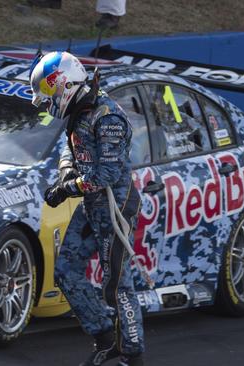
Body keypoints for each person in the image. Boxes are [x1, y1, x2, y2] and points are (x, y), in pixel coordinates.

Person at [29, 51, 145, 366]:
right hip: (93, 204)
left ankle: (132, 357)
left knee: (117, 284)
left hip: (115, 207)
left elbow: (107, 174)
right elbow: (72, 148)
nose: (47, 102)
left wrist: (67, 189)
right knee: (66, 271)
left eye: (48, 93)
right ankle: (107, 340)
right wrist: (67, 171)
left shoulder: (107, 117)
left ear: (64, 85)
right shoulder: (82, 110)